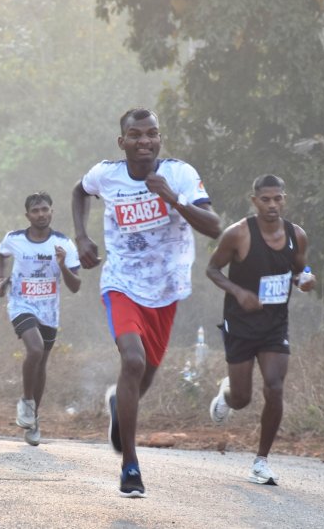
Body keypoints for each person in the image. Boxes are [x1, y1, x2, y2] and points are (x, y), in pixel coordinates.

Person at [71, 107, 222, 497]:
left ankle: (120, 409)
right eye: (136, 135)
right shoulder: (106, 174)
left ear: (159, 138)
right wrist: (81, 237)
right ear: (122, 142)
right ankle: (130, 466)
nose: (145, 141)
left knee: (147, 375)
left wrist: (172, 199)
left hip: (166, 288)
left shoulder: (180, 175)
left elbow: (214, 226)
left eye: (151, 134)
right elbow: (79, 190)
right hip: (121, 282)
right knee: (133, 361)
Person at [206, 174, 316, 485]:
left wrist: (307, 278)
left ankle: (261, 461)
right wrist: (238, 292)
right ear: (254, 201)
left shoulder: (297, 235)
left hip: (274, 324)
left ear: (285, 199)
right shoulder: (237, 234)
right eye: (265, 199)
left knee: (275, 387)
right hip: (240, 323)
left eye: (277, 198)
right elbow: (212, 269)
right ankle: (226, 395)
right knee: (242, 398)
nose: (272, 205)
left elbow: (301, 268)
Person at [0, 191, 81, 446]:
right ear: (27, 215)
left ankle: (33, 418)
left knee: (42, 361)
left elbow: (76, 286)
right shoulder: (15, 239)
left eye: (45, 209)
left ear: (52, 211)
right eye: (36, 211)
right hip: (21, 303)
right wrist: (0, 280)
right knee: (34, 350)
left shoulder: (64, 244)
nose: (41, 214)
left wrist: (63, 265)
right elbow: (0, 254)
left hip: (49, 310)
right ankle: (26, 402)